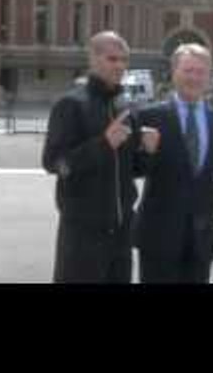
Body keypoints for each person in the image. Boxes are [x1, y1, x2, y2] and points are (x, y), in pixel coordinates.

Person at [42, 31, 159, 283]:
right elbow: (55, 163)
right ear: (93, 60)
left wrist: (148, 152)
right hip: (82, 234)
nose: (120, 66)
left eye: (124, 60)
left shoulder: (127, 107)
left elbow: (132, 169)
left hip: (121, 232)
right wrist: (103, 144)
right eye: (112, 59)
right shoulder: (71, 104)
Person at [132, 43, 213, 283]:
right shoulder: (148, 117)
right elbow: (131, 169)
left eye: (201, 72)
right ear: (173, 73)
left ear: (209, 77)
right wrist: (146, 152)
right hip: (157, 236)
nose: (194, 78)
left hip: (202, 236)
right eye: (188, 70)